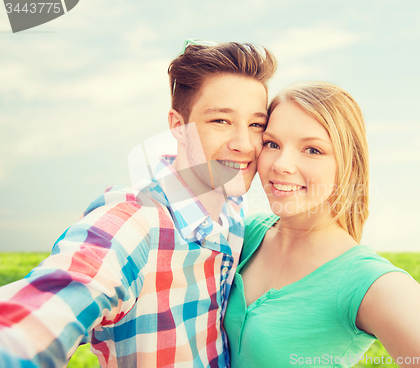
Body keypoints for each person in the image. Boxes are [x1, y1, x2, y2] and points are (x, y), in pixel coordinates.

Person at [0, 41, 276, 368]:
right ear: (179, 127)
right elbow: (39, 316)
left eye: (256, 124)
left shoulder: (233, 214)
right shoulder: (135, 221)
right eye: (220, 121)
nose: (244, 144)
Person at [223, 81, 420, 367]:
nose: (281, 164)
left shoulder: (366, 281)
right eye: (272, 144)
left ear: (348, 164)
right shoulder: (246, 233)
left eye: (313, 150)